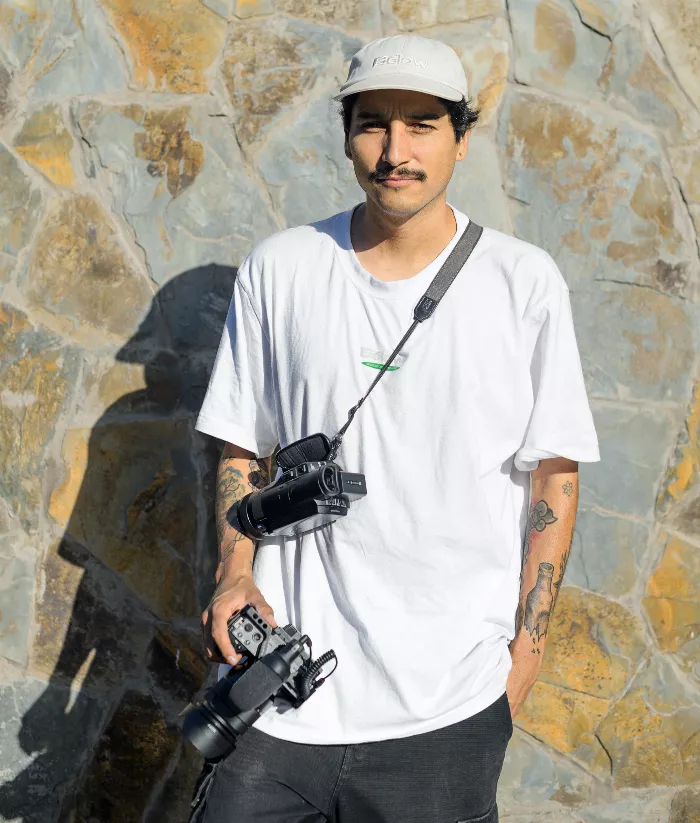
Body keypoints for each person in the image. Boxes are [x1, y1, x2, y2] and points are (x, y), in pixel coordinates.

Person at [194, 34, 600, 823]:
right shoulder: (281, 268)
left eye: (421, 125)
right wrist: (233, 576)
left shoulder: (523, 284)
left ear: (461, 138)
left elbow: (554, 476)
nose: (394, 151)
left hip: (445, 712)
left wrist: (521, 667)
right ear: (347, 135)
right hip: (282, 704)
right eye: (373, 123)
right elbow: (242, 447)